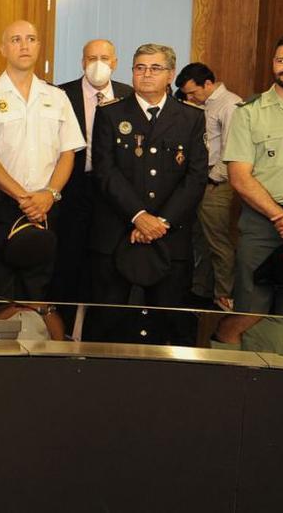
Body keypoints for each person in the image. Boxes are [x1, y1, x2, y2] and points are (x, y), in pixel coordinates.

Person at [89, 43, 206, 343]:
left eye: (155, 68)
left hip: (170, 237)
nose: (146, 74)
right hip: (119, 233)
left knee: (171, 324)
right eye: (139, 68)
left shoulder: (191, 118)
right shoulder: (111, 114)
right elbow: (105, 171)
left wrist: (160, 222)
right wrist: (139, 217)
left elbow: (195, 178)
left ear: (171, 74)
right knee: (107, 324)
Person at [0, 21, 85, 301]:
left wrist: (49, 194)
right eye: (16, 39)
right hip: (1, 206)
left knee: (39, 290)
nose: (24, 45)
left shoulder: (57, 96)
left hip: (46, 207)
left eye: (31, 39)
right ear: (2, 48)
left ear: (38, 46)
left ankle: (37, 345)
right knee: (0, 291)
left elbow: (68, 152)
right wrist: (25, 198)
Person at [214, 36, 283, 346]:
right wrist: (279, 215)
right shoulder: (250, 111)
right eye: (281, 60)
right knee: (251, 310)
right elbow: (240, 177)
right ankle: (239, 388)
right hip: (262, 224)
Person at [54, 39, 133, 309]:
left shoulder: (129, 94)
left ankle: (101, 324)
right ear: (82, 62)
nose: (98, 64)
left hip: (115, 194)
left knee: (106, 265)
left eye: (104, 58)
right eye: (91, 58)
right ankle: (63, 328)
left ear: (115, 63)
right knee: (69, 260)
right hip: (72, 188)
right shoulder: (60, 94)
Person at [176, 62, 242, 311]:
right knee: (199, 239)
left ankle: (224, 296)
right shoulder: (206, 105)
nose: (190, 98)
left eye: (193, 92)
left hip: (216, 183)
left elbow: (231, 149)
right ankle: (201, 290)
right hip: (201, 181)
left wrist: (213, 179)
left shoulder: (229, 104)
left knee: (217, 241)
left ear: (208, 84)